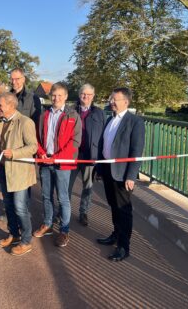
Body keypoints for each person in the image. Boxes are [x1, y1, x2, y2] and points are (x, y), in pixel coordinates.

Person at [96, 87, 145, 262]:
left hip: (122, 173)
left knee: (124, 210)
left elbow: (136, 151)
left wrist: (131, 176)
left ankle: (124, 247)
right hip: (109, 170)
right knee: (113, 205)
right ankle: (115, 234)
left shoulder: (135, 122)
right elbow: (104, 144)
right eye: (111, 99)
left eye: (114, 99)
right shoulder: (110, 119)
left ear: (126, 101)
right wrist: (100, 169)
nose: (111, 102)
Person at [34, 83, 81, 247]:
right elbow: (37, 139)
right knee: (46, 196)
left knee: (63, 198)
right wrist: (41, 153)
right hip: (45, 162)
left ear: (66, 97)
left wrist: (57, 158)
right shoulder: (44, 115)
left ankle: (64, 230)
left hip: (62, 164)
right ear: (50, 96)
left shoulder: (73, 116)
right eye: (54, 95)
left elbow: (75, 141)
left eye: (60, 95)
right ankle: (47, 224)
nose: (56, 98)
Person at [0, 92, 38, 256]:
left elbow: (33, 147)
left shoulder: (25, 122)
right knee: (8, 205)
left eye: (0, 105)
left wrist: (14, 153)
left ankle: (26, 241)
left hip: (19, 172)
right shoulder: (2, 121)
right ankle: (13, 234)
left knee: (20, 208)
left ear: (11, 105)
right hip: (4, 171)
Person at [68, 84, 106, 226]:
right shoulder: (70, 110)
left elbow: (103, 136)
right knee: (67, 186)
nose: (86, 96)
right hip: (72, 155)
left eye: (89, 94)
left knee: (88, 186)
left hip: (90, 155)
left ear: (93, 96)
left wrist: (100, 159)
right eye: (84, 93)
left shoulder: (99, 113)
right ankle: (64, 211)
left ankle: (83, 212)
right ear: (79, 94)